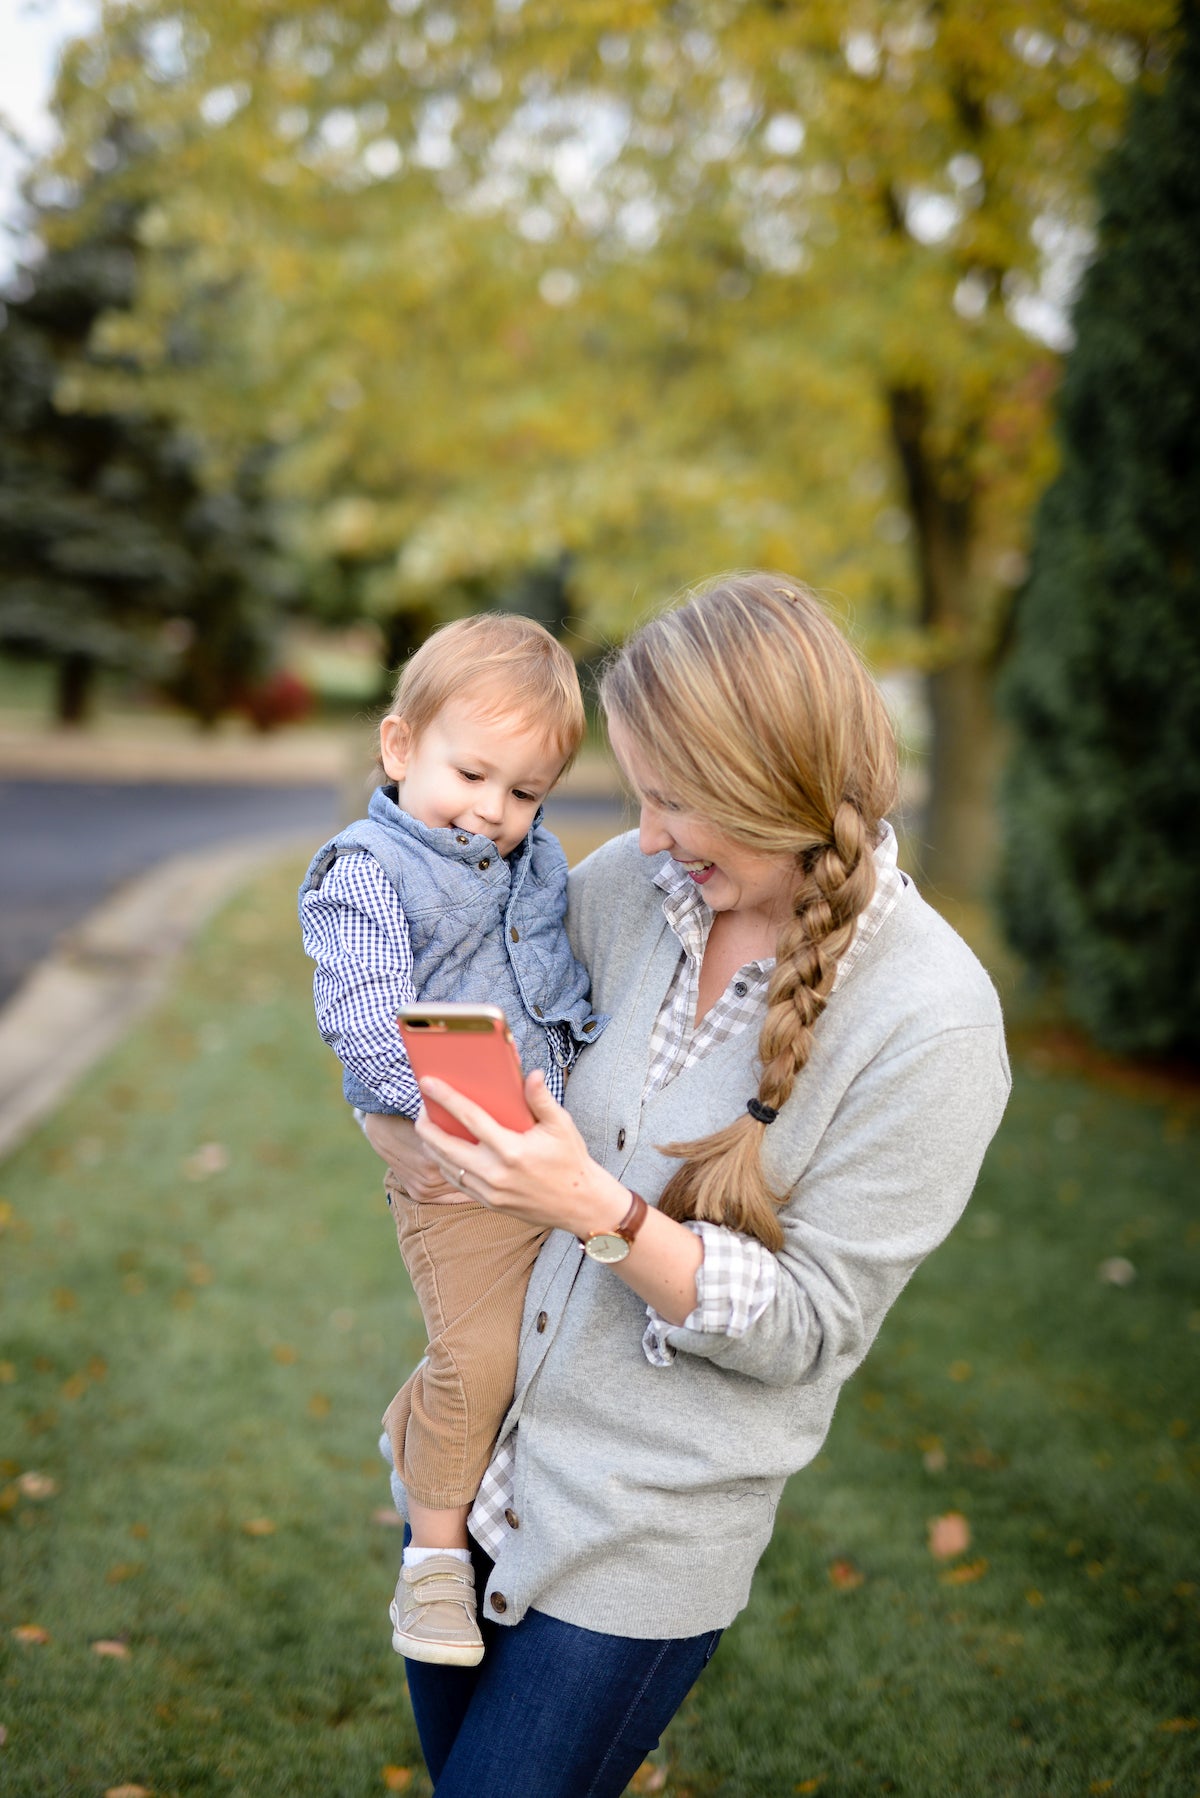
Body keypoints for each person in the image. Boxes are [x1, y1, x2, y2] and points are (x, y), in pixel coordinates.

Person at [362, 572, 1011, 1798]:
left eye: (674, 798)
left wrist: (601, 1212)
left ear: (778, 786)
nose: (648, 831)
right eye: (637, 792)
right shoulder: (621, 893)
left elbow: (811, 1329)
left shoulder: (931, 1021)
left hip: (635, 1543)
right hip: (469, 1484)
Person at [298, 612, 605, 1667]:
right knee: (478, 1359)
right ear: (398, 747)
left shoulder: (537, 863)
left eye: (525, 794)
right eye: (472, 775)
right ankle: (431, 1565)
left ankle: (411, 1425)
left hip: (545, 1165)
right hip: (453, 1168)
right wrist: (415, 1109)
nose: (493, 812)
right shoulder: (367, 872)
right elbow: (362, 1010)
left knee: (540, 1351)